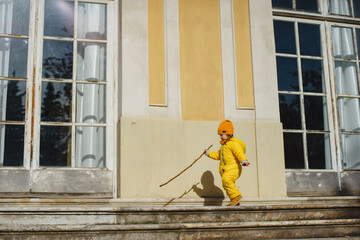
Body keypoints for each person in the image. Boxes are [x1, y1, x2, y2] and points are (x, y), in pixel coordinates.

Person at [204, 120, 249, 206]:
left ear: (228, 133)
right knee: (227, 183)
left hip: (234, 168)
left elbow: (239, 153)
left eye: (222, 134)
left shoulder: (233, 144)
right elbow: (218, 156)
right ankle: (235, 202)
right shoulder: (223, 146)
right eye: (220, 135)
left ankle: (236, 197)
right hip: (226, 170)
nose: (220, 137)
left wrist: (244, 161)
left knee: (226, 180)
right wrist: (208, 153)